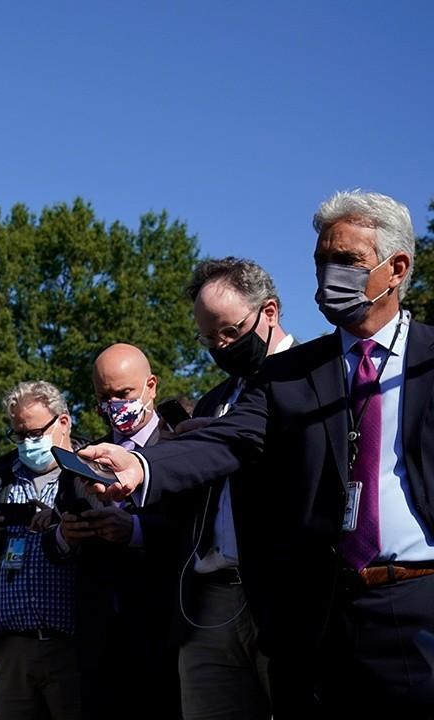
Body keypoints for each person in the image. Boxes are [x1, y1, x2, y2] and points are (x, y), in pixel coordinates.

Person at [82, 190, 434, 715]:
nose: (329, 276)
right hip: (320, 615)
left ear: (396, 268)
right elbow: (227, 438)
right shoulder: (291, 375)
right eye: (321, 262)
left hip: (418, 601)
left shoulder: (429, 360)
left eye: (347, 262)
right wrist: (142, 464)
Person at [174, 258, 293, 719]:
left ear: (269, 312)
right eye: (208, 338)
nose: (221, 346)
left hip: (283, 596)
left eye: (229, 332)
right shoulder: (214, 400)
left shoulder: (317, 381)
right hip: (209, 602)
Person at [49, 344, 179, 720]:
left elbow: (193, 531)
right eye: (104, 397)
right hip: (99, 642)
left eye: (123, 394)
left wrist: (136, 530)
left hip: (163, 636)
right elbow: (56, 542)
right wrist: (64, 537)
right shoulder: (81, 462)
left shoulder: (182, 451)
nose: (114, 405)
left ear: (150, 386)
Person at [0, 381, 83, 720]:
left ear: (63, 422)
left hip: (75, 646)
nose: (28, 443)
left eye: (35, 433)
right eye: (19, 435)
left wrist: (62, 526)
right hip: (12, 650)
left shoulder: (89, 470)